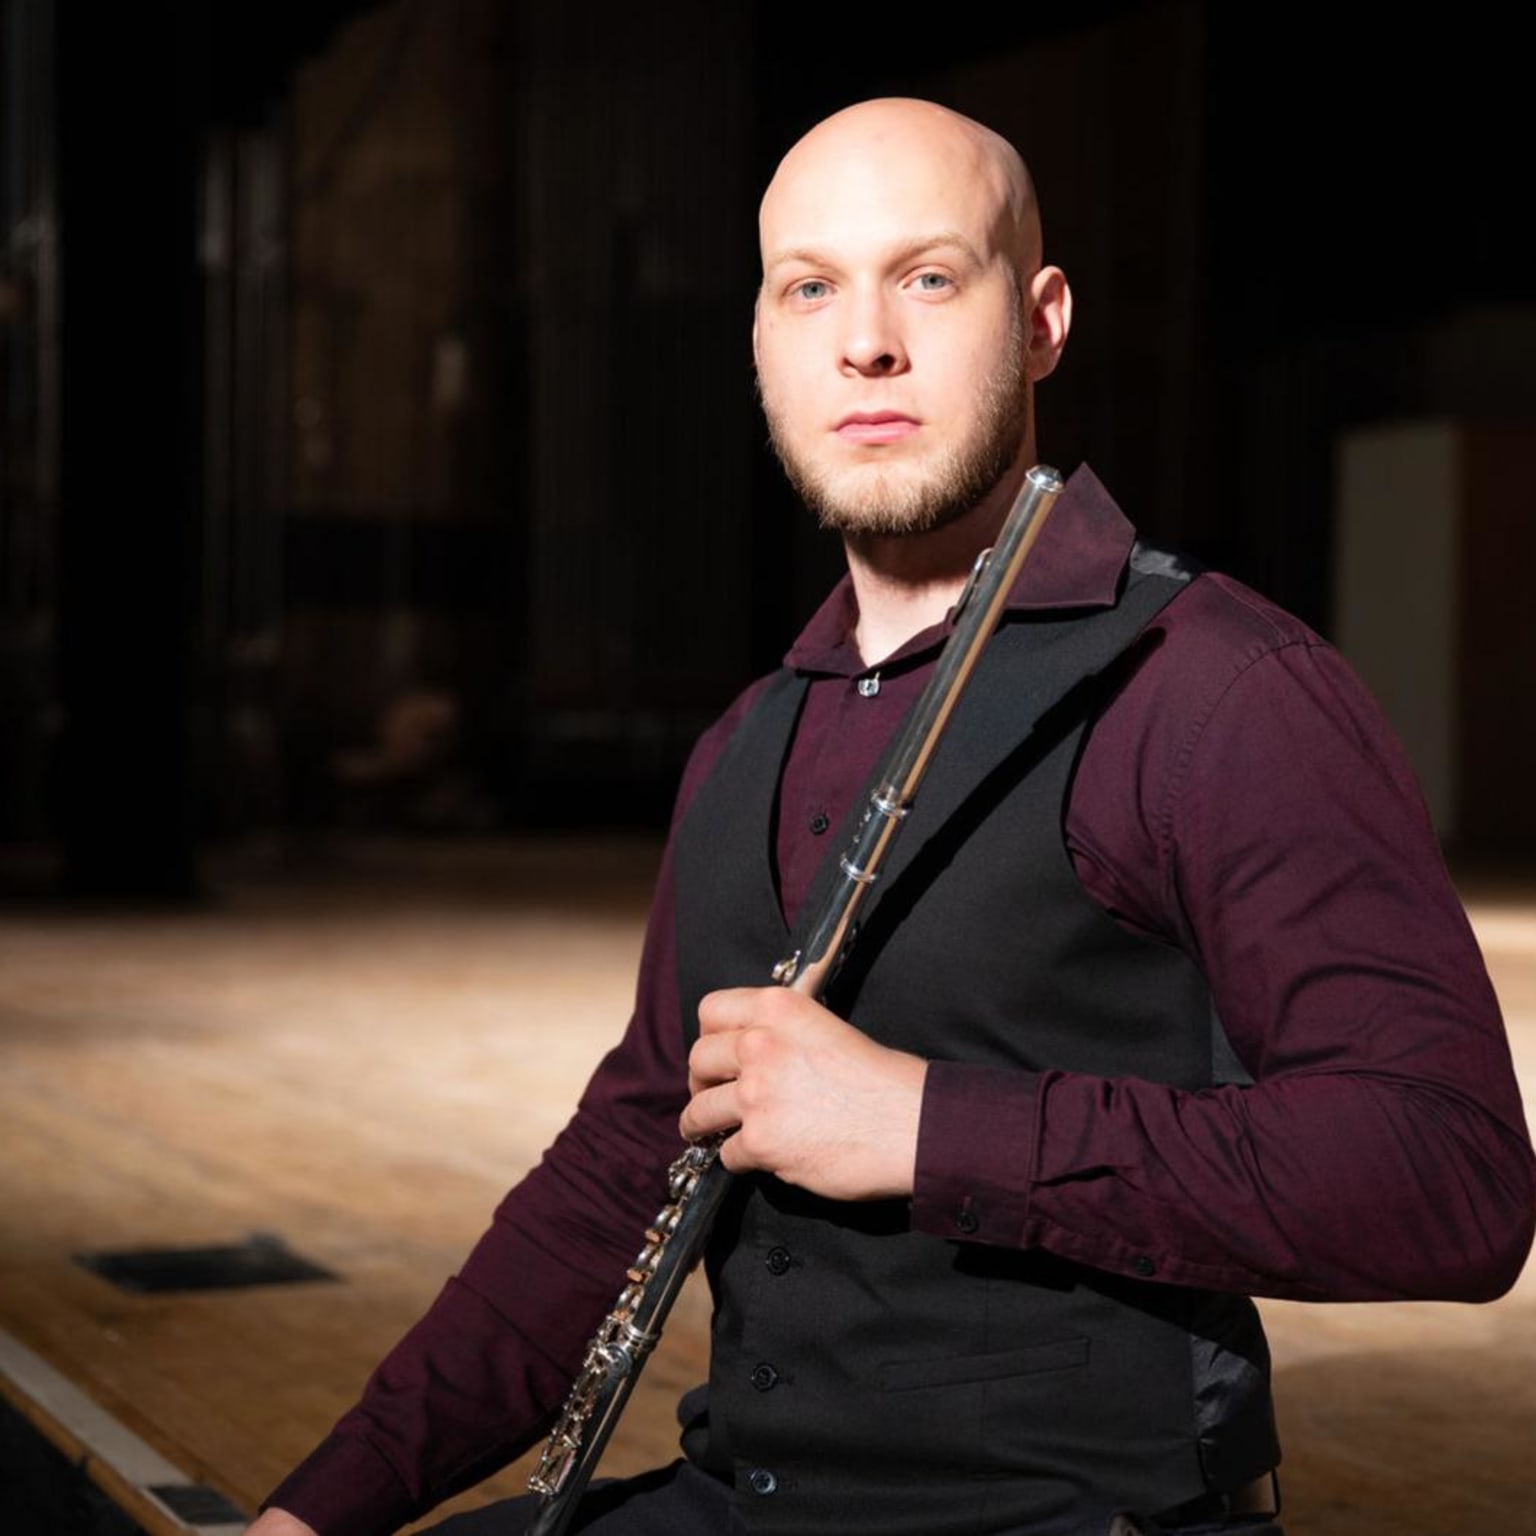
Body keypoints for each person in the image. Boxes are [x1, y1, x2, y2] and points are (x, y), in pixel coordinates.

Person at [249, 99, 1536, 1536]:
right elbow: (618, 1172)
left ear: (1040, 322)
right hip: (746, 1504)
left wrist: (928, 1127)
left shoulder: (1219, 691)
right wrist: (315, 1516)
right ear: (761, 345)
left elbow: (1452, 1180)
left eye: (928, 276)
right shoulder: (750, 741)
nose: (866, 341)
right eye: (810, 288)